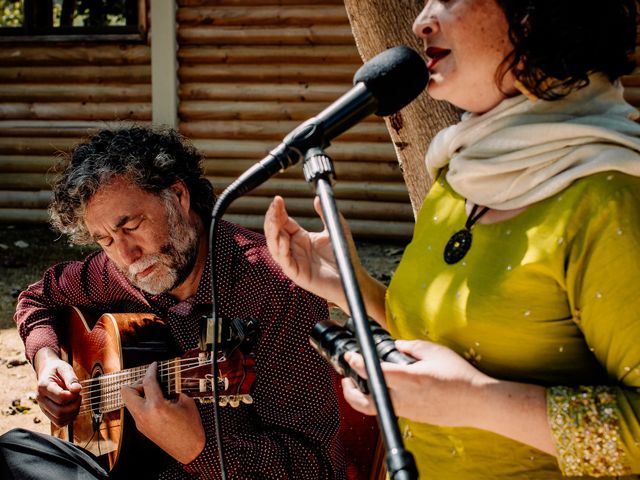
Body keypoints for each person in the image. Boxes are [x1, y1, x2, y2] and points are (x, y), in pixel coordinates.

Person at [263, 0, 640, 478]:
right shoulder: (458, 176)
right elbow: (444, 343)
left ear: (535, 15)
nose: (421, 21)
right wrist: (345, 284)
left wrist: (476, 402)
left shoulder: (611, 200)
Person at [0, 126, 348, 479]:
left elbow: (316, 464)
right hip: (126, 462)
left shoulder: (274, 290)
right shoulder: (119, 269)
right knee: (12, 450)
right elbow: (38, 298)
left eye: (132, 225)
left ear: (178, 196)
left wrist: (199, 449)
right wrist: (46, 360)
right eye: (104, 240)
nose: (126, 255)